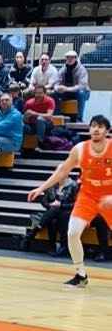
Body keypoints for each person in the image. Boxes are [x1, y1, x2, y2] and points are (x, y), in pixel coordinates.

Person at [27, 114, 112, 287]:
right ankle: (81, 275)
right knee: (72, 233)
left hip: (108, 197)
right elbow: (62, 170)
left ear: (107, 131)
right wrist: (41, 188)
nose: (96, 129)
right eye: (93, 126)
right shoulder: (79, 149)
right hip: (88, 196)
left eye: (100, 126)